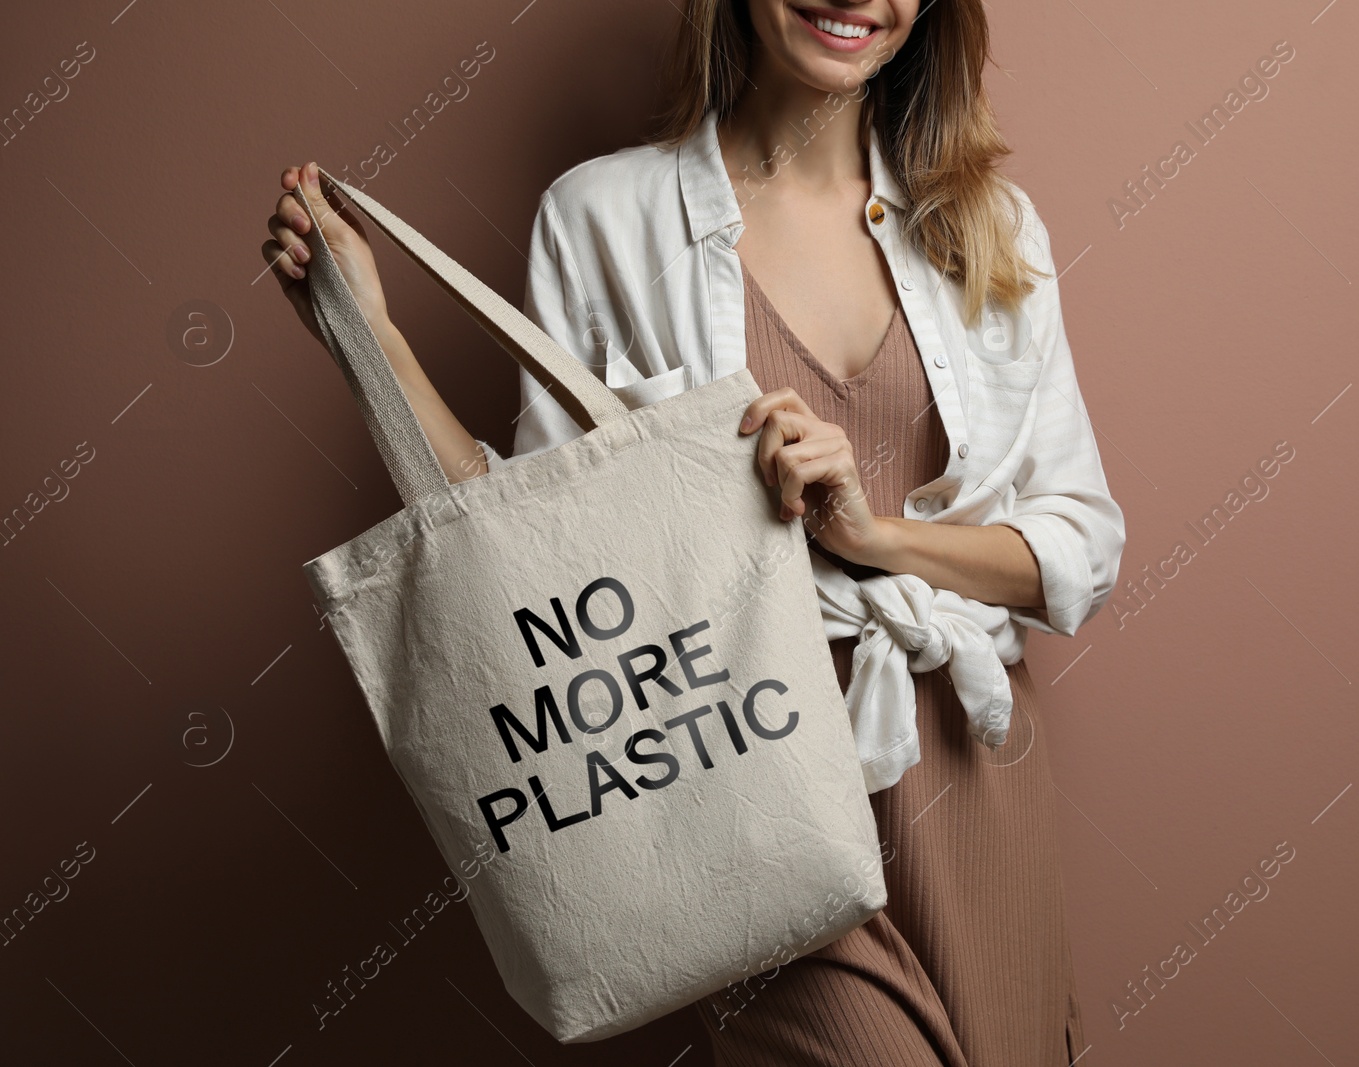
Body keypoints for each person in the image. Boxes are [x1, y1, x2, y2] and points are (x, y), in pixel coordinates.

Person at [261, 1, 1124, 1061]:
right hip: (737, 766)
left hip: (965, 770)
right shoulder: (602, 215)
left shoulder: (988, 221)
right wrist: (370, 333)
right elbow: (533, 547)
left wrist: (874, 537)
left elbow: (1077, 544)